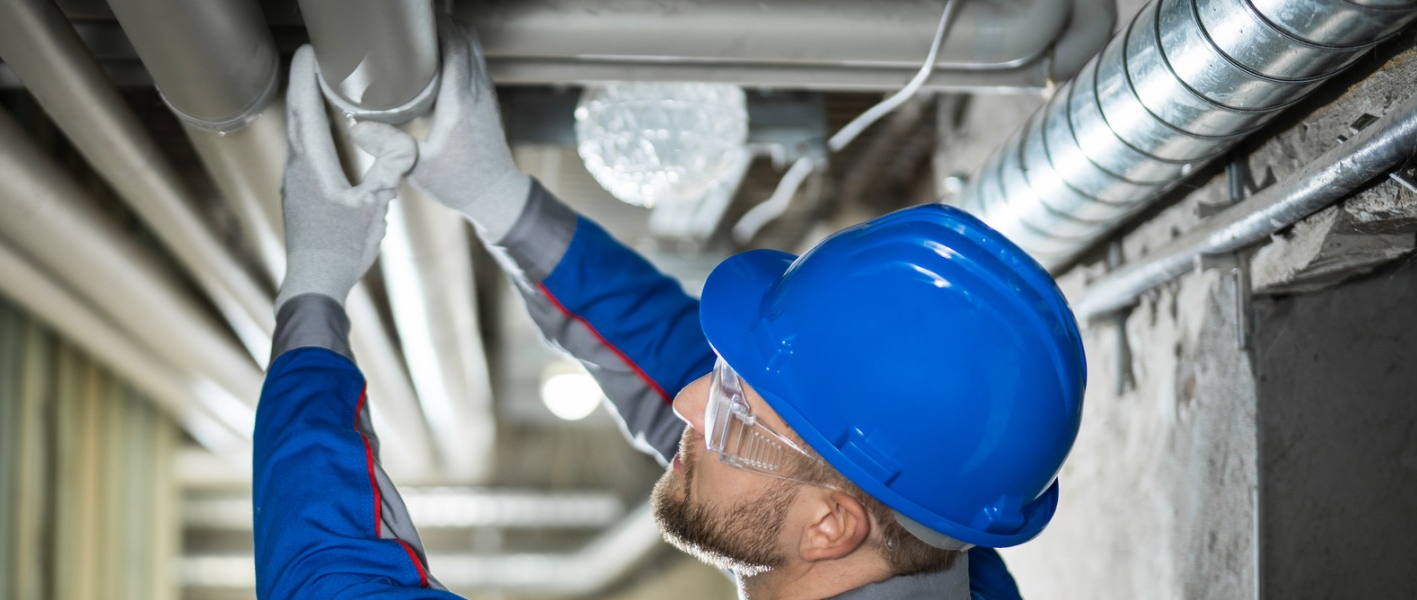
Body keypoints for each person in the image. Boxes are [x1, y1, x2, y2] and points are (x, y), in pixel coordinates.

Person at [253, 23, 1086, 600]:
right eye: (727, 384)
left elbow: (329, 583)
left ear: (831, 527)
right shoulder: (935, 545)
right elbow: (690, 370)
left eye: (728, 415)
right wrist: (499, 202)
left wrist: (315, 288)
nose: (690, 400)